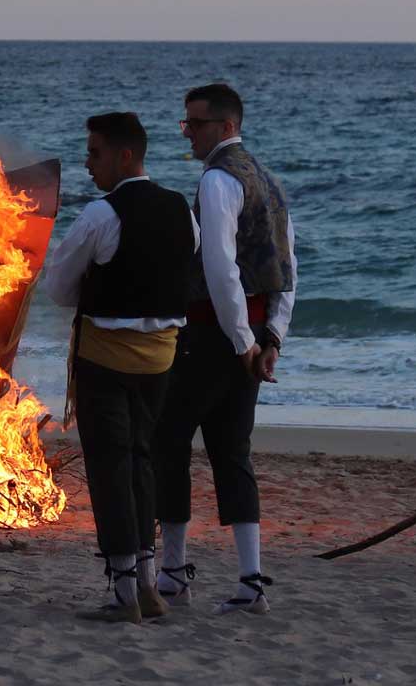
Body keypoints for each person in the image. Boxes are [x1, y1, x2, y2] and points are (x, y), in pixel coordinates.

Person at [43, 112, 198, 624]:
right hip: (161, 360)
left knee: (111, 468)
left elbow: (59, 288)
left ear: (124, 156)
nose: (88, 164)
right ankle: (149, 583)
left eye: (94, 153)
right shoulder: (182, 210)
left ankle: (124, 591)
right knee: (143, 461)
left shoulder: (101, 215)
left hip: (104, 360)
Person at [153, 83, 296, 615]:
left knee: (169, 442)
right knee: (233, 454)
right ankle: (250, 580)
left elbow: (220, 268)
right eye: (186, 122)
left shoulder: (217, 180)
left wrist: (241, 342)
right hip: (251, 336)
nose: (187, 132)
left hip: (214, 336)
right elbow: (287, 270)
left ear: (226, 127)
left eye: (195, 123)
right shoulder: (269, 180)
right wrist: (272, 337)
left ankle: (172, 571)